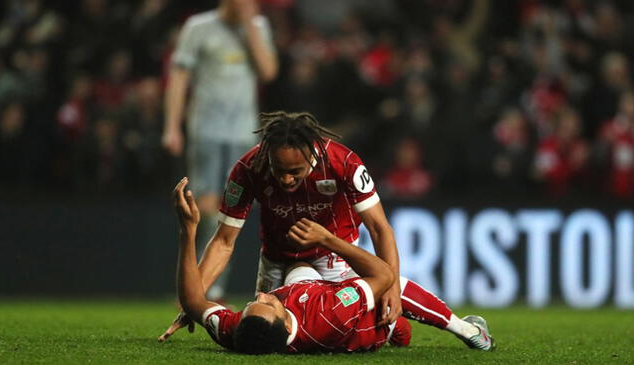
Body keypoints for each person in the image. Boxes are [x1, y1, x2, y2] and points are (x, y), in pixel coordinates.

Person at [161, 177, 496, 353]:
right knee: (397, 290)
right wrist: (330, 239)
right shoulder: (329, 312)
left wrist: (187, 231)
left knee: (299, 268)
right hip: (363, 327)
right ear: (284, 322)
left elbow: (193, 301)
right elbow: (383, 274)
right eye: (265, 305)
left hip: (305, 291)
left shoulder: (242, 333)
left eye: (251, 305)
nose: (260, 297)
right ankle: (469, 331)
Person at [161, 111, 404, 338]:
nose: (286, 179)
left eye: (295, 171)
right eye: (279, 170)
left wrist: (392, 288)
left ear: (311, 155)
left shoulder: (344, 164)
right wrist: (195, 300)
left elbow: (379, 228)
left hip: (334, 257)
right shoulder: (248, 169)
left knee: (345, 330)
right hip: (277, 261)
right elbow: (224, 241)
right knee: (272, 335)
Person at [161, 0, 278, 299]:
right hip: (207, 132)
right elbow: (178, 77)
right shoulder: (198, 27)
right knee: (207, 210)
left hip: (242, 134)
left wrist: (250, 25)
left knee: (231, 211)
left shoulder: (258, 26)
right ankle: (201, 287)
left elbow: (268, 71)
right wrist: (172, 126)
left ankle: (207, 288)